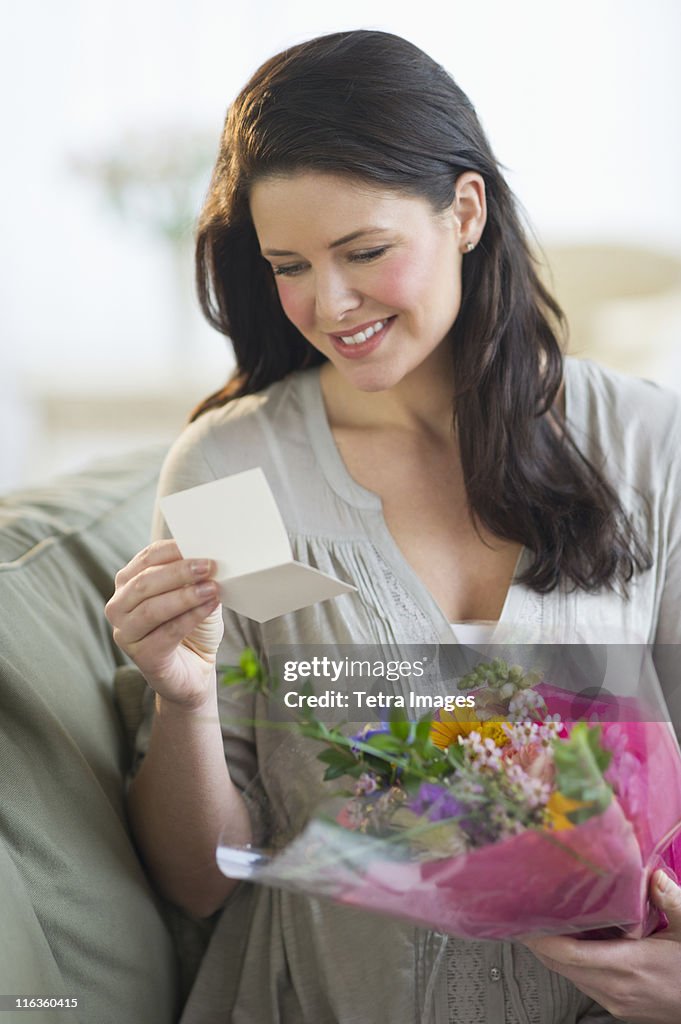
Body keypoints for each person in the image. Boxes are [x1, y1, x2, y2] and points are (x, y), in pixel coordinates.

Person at [105, 29, 681, 1024]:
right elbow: (200, 883)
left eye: (365, 252)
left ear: (465, 211)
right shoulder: (233, 472)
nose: (328, 305)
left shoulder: (644, 444)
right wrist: (184, 699)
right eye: (289, 265)